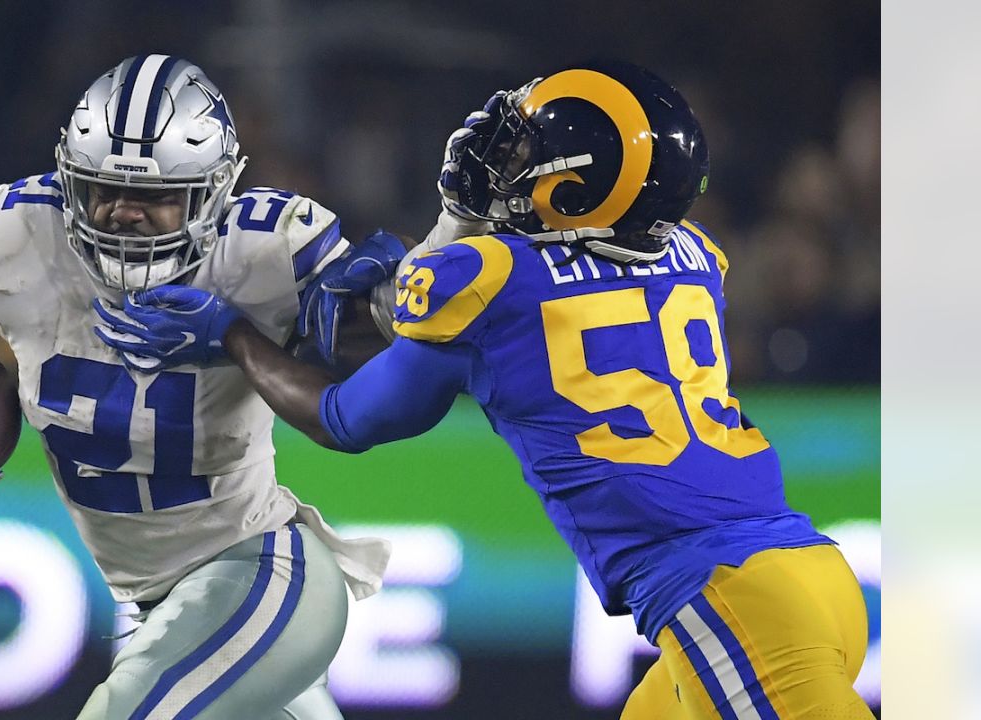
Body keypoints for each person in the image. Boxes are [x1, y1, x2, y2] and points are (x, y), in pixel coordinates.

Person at [110, 61, 875, 719]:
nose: (509, 162)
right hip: (806, 572)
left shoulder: (487, 281)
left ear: (580, 188)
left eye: (532, 151)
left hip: (727, 595)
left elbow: (344, 417)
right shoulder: (694, 254)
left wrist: (231, 335)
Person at [0, 54, 404, 720]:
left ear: (215, 192)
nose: (121, 213)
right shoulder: (23, 236)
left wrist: (377, 300)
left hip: (265, 573)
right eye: (102, 188)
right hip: (165, 613)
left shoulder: (262, 252)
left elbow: (371, 363)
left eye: (154, 195)